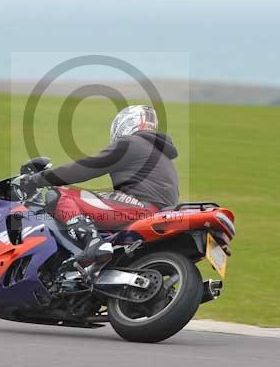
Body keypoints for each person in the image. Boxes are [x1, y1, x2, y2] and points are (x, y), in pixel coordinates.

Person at [20, 105, 179, 267]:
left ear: (127, 123)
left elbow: (85, 168)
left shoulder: (131, 143)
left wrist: (35, 180)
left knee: (60, 195)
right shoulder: (163, 157)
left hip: (139, 210)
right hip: (157, 216)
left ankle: (94, 242)